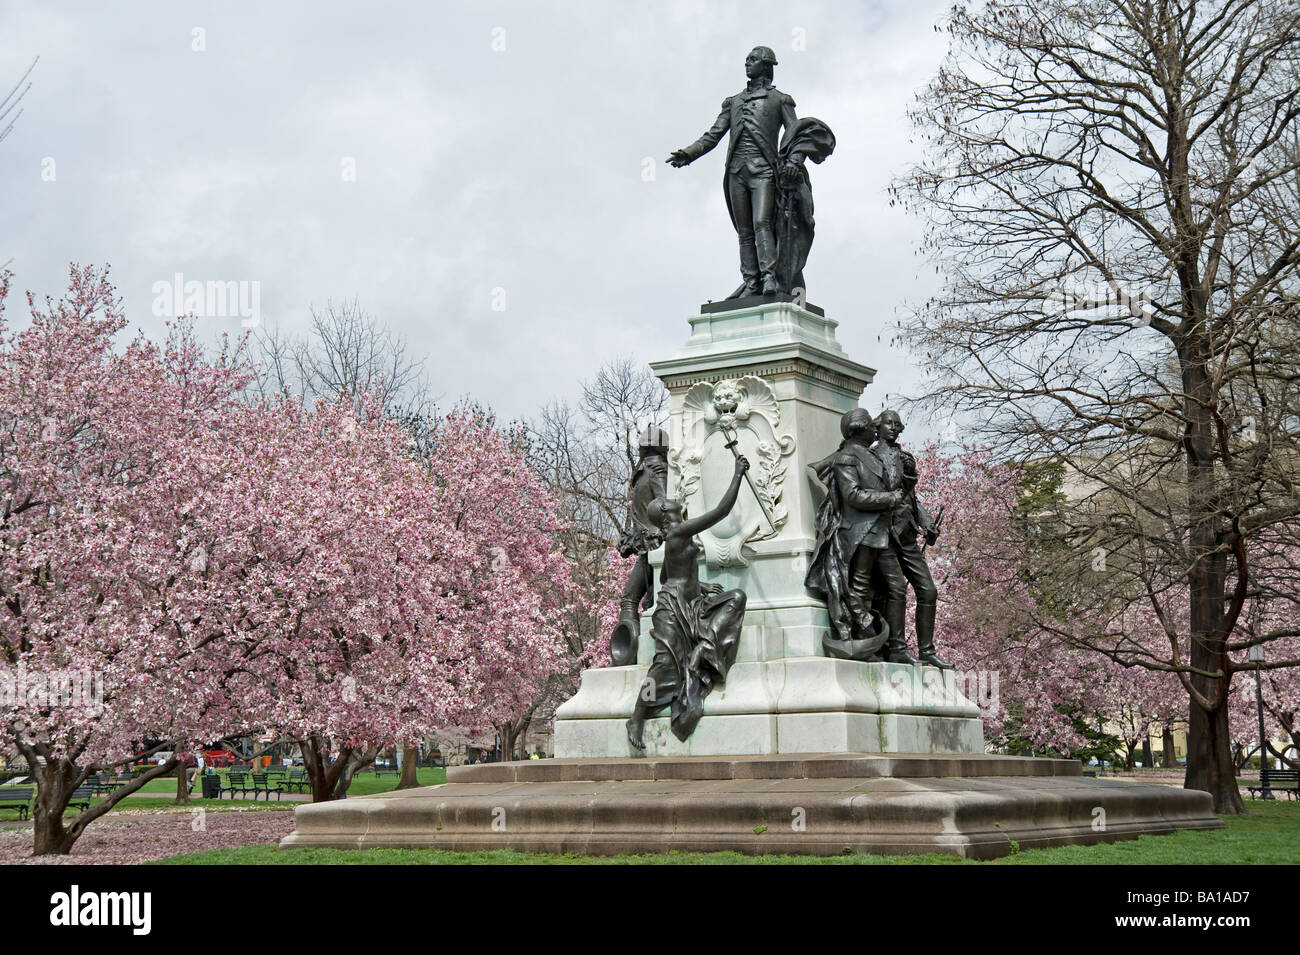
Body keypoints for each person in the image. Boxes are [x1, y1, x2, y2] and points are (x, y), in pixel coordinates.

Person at [626, 455, 751, 751]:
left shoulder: (675, 537)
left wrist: (701, 585)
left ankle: (703, 651)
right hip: (672, 610)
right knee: (664, 665)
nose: (673, 501)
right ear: (667, 515)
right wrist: (737, 474)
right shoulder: (679, 531)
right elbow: (721, 510)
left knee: (736, 598)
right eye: (669, 504)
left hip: (691, 602)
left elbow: (668, 573)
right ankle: (638, 715)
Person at [668, 47, 804, 297]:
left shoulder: (780, 100)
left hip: (763, 171)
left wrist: (794, 162)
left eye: (752, 60)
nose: (747, 64)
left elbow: (796, 134)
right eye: (746, 60)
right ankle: (752, 282)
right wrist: (688, 153)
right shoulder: (733, 102)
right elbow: (713, 135)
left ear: (766, 65)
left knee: (762, 222)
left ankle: (769, 277)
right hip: (736, 172)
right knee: (744, 232)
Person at [804, 409, 909, 661]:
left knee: (896, 588)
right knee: (861, 587)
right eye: (870, 426)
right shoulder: (846, 458)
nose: (875, 429)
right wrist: (889, 498)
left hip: (881, 531)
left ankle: (896, 646)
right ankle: (863, 641)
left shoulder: (867, 454)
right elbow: (853, 495)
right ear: (859, 429)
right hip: (861, 531)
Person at [871, 410, 953, 669]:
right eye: (889, 424)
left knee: (928, 590)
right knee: (896, 590)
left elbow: (912, 499)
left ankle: (927, 651)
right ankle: (896, 648)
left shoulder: (906, 459)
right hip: (884, 535)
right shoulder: (871, 458)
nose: (894, 429)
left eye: (898, 425)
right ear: (878, 427)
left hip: (906, 535)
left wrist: (928, 524)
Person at [610, 426, 669, 665]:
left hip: (653, 547)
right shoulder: (651, 471)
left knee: (634, 599)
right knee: (640, 600)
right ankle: (630, 653)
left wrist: (655, 535)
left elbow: (663, 505)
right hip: (647, 545)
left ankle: (630, 654)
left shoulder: (654, 471)